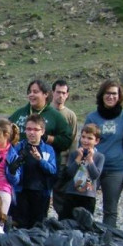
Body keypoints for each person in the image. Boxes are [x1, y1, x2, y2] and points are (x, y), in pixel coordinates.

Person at [83, 80, 123, 228]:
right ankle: (85, 236)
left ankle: (108, 241)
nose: (110, 96)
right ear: (102, 95)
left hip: (115, 169)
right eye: (107, 93)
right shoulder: (92, 117)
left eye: (114, 93)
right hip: (93, 167)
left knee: (110, 209)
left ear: (119, 96)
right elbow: (84, 142)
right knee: (87, 205)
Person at [12, 114, 58, 228]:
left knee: (38, 224)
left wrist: (40, 160)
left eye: (35, 129)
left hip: (41, 192)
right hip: (21, 191)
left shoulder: (48, 149)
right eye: (28, 129)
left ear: (42, 131)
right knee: (20, 224)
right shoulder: (18, 147)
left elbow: (52, 170)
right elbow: (10, 168)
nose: (31, 132)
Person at [9, 79, 73, 155]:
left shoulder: (55, 116)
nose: (31, 94)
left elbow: (67, 141)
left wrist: (47, 138)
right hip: (19, 161)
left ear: (46, 94)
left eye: (35, 92)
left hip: (45, 162)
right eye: (30, 92)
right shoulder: (19, 113)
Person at [58, 123, 105, 221]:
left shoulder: (99, 157)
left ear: (96, 141)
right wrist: (78, 159)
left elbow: (95, 175)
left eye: (89, 138)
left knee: (84, 224)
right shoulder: (75, 154)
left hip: (88, 195)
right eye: (83, 137)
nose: (85, 140)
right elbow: (69, 173)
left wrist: (90, 160)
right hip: (71, 193)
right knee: (65, 221)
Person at [49, 80, 78, 218]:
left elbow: (73, 140)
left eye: (63, 93)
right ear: (52, 93)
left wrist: (71, 162)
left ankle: (63, 224)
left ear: (67, 95)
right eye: (58, 92)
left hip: (63, 161)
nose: (60, 95)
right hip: (45, 160)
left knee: (60, 197)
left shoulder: (70, 115)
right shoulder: (46, 111)